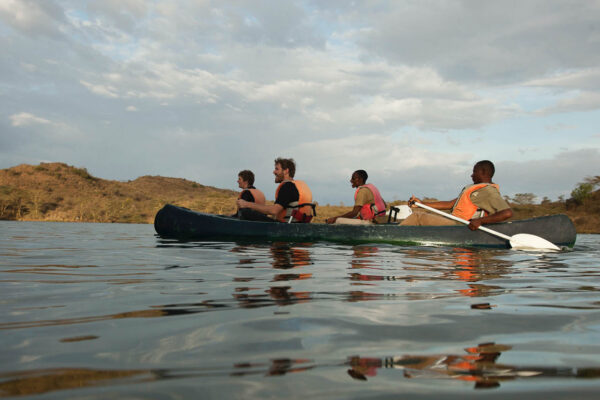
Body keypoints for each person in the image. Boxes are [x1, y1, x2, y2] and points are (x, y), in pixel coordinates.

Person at [401, 160, 513, 230]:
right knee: (420, 215)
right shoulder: (476, 190)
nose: (471, 175)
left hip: (459, 226)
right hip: (453, 222)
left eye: (474, 171)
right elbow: (450, 204)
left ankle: (390, 235)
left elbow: (507, 213)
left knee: (417, 217)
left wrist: (480, 221)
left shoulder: (488, 191)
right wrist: (421, 204)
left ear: (483, 172)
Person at [237, 157, 314, 223]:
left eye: (277, 169)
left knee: (245, 212)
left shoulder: (287, 186)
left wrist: (246, 204)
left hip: (285, 226)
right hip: (299, 224)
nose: (274, 172)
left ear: (286, 171)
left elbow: (274, 211)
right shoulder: (295, 186)